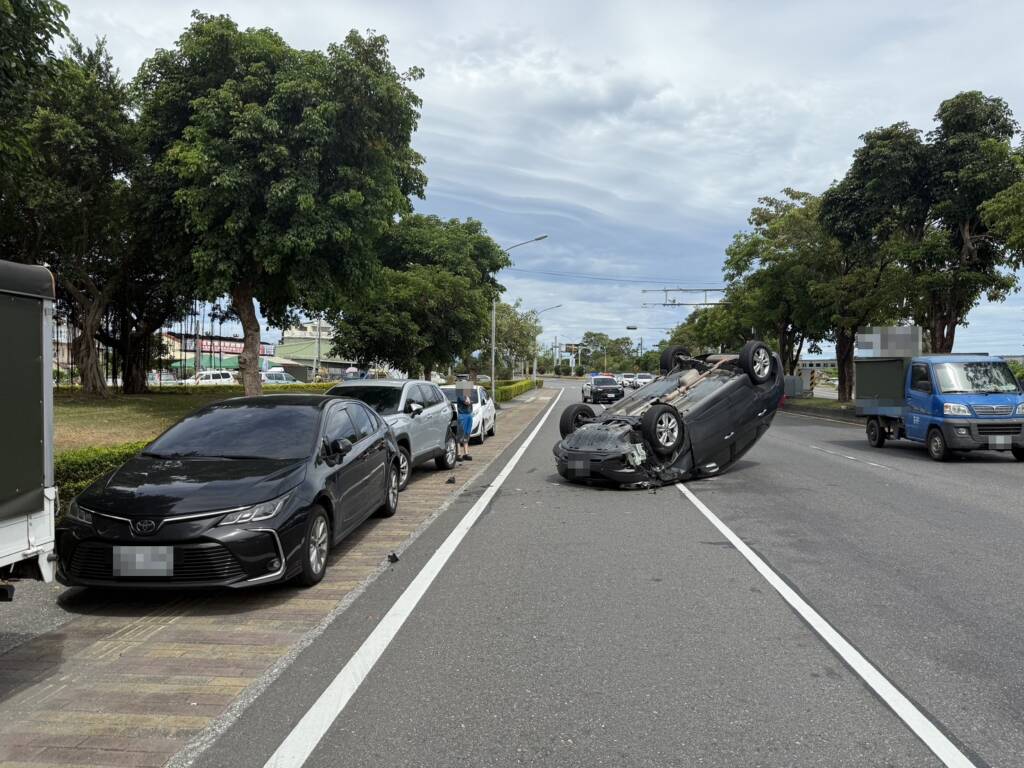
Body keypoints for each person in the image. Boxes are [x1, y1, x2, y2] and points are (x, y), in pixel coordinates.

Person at [456, 386, 474, 462]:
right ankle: (458, 454)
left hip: (469, 415)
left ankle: (466, 453)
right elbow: (467, 402)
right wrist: (467, 397)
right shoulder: (461, 395)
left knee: (467, 433)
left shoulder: (467, 395)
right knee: (460, 434)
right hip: (462, 416)